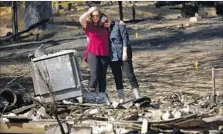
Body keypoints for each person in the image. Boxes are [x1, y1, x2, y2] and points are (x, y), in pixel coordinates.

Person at [102, 15, 141, 103]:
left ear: (109, 18)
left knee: (129, 74)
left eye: (106, 21)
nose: (105, 23)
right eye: (103, 23)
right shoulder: (103, 29)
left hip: (123, 53)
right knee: (117, 77)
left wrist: (125, 52)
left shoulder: (119, 24)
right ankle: (121, 98)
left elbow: (125, 39)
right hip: (112, 57)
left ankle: (138, 96)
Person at [79, 7, 110, 95]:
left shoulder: (104, 25)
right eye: (93, 16)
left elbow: (109, 21)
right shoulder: (88, 26)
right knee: (94, 76)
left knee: (102, 77)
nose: (95, 18)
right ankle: (91, 95)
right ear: (91, 16)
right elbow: (81, 19)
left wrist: (106, 18)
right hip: (92, 53)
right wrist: (90, 11)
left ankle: (102, 95)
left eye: (97, 16)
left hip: (104, 53)